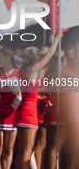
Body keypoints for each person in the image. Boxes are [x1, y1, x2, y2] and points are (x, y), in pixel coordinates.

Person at [14, 31, 62, 169]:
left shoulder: (23, 72)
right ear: (35, 58)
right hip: (29, 113)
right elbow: (49, 55)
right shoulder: (32, 69)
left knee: (22, 150)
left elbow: (32, 91)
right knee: (28, 150)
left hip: (22, 111)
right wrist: (57, 38)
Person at [0, 47, 20, 169]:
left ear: (7, 57)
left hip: (11, 114)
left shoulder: (18, 72)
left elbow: (21, 93)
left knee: (8, 149)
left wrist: (16, 96)